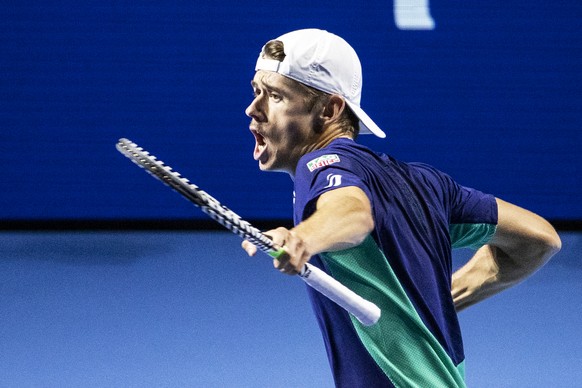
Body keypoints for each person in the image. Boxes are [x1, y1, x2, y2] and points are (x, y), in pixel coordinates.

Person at [241, 28, 561, 387]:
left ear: (329, 110)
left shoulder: (321, 165)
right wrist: (432, 304)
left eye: (275, 96)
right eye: (257, 92)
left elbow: (352, 211)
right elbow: (541, 239)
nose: (253, 108)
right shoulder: (425, 184)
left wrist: (304, 237)